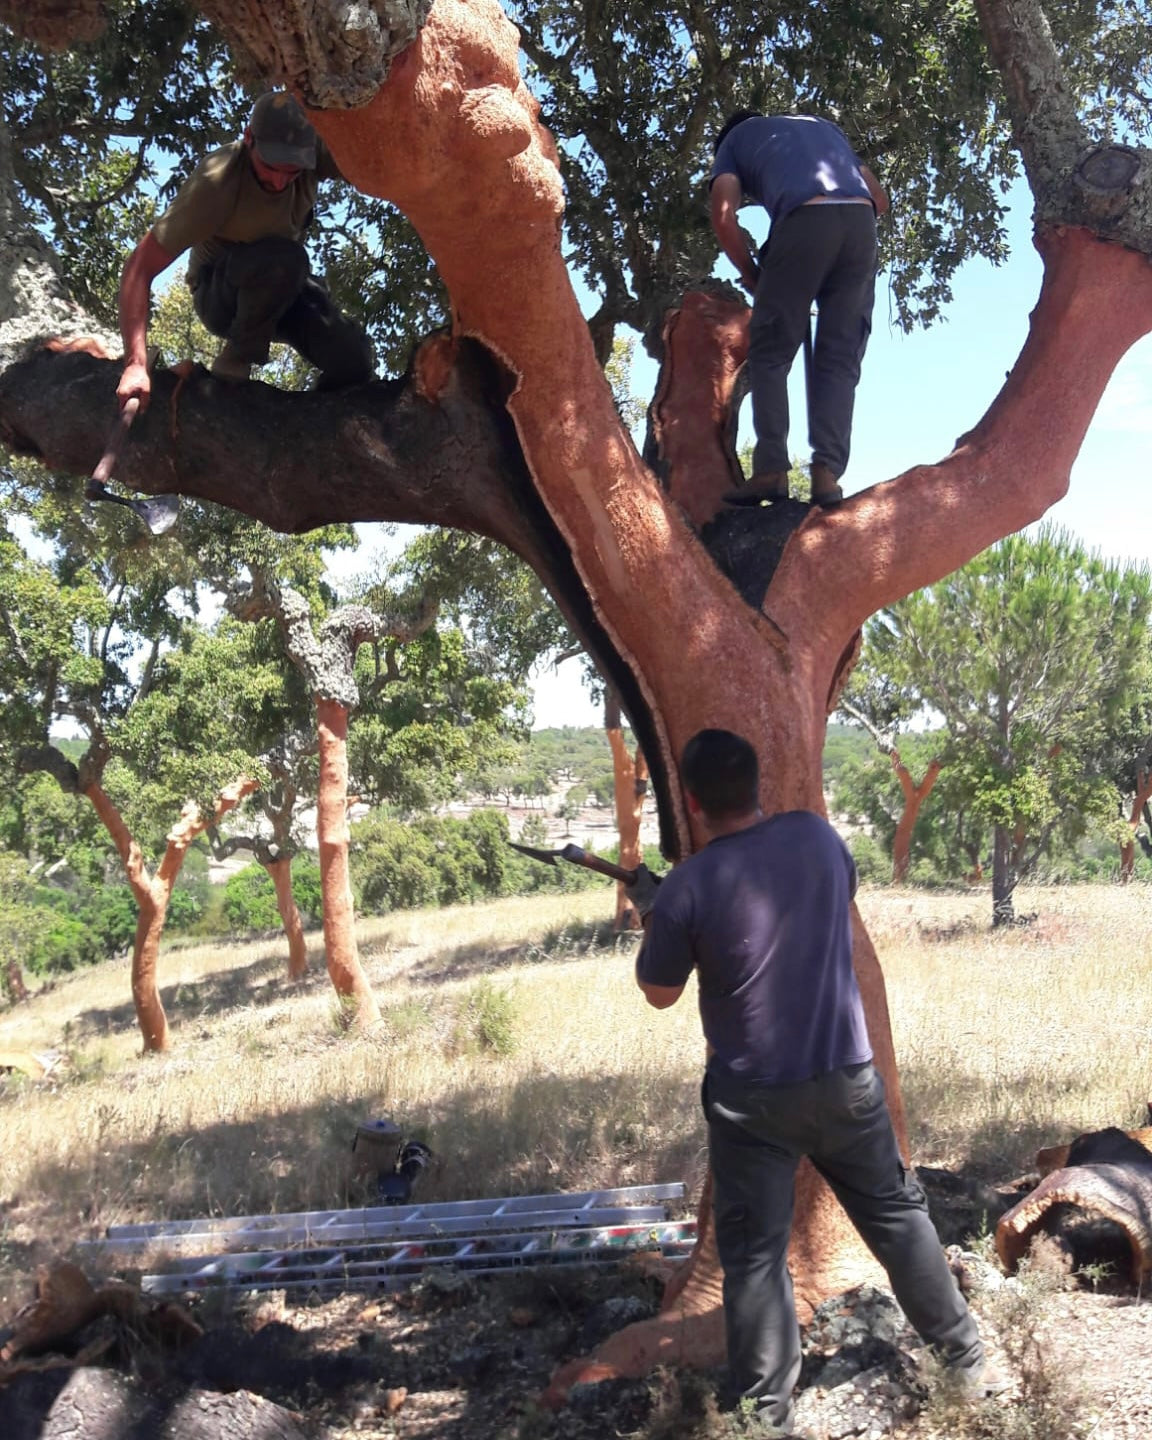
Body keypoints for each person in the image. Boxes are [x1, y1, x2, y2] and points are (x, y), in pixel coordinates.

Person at [628, 729, 998, 1435]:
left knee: (756, 1259)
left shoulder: (690, 886)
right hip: (845, 1083)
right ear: (758, 786)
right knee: (895, 1217)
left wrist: (657, 912)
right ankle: (967, 1362)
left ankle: (765, 1418)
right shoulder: (821, 841)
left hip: (751, 1107)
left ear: (692, 801)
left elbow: (659, 991)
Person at [117, 92, 374, 410]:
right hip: (222, 296)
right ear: (249, 138)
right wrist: (135, 365)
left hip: (282, 291)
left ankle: (314, 420)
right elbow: (139, 268)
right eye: (270, 166)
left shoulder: (314, 153)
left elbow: (374, 157)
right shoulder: (217, 182)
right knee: (287, 259)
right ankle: (236, 360)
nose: (280, 181)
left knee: (356, 361)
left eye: (292, 170)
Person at [709, 112, 889, 509]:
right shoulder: (823, 127)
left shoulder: (732, 143)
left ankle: (771, 471)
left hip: (804, 220)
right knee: (839, 357)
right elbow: (880, 199)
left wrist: (755, 275)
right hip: (861, 224)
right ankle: (827, 478)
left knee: (771, 353)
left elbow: (723, 215)